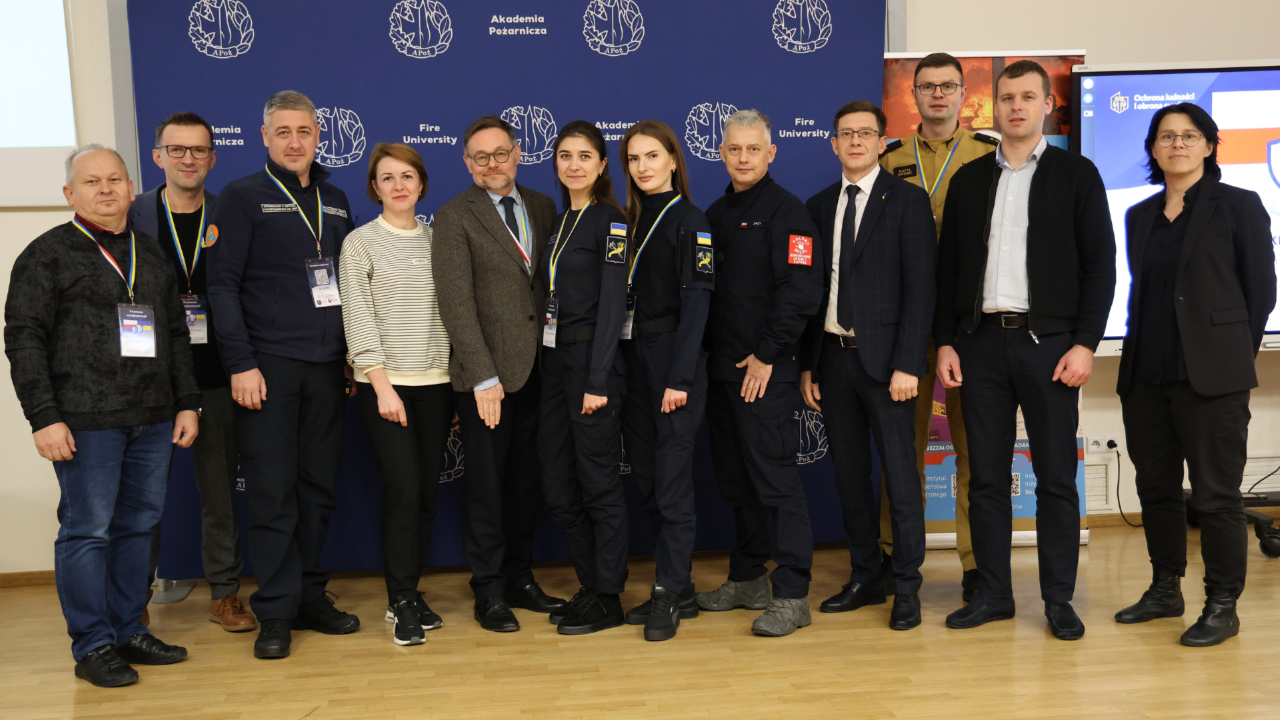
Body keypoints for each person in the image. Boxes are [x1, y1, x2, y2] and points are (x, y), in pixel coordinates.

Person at [5, 145, 200, 686]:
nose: (106, 189)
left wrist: (187, 401)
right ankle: (92, 645)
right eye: (92, 182)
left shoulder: (152, 254)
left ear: (131, 188)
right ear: (71, 194)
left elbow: (177, 335)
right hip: (84, 420)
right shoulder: (46, 255)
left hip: (155, 417)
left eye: (115, 178)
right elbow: (23, 339)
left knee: (138, 527)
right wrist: (43, 417)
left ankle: (126, 629)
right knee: (87, 531)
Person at [935, 61, 1115, 640]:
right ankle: (993, 594)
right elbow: (949, 272)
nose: (1015, 107)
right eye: (1007, 98)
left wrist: (1085, 343)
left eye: (1027, 97)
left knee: (1057, 476)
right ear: (995, 107)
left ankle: (1058, 599)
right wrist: (945, 340)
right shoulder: (968, 181)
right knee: (985, 478)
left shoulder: (1076, 174)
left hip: (1052, 346)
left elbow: (1100, 267)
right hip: (980, 345)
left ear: (1046, 106)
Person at [1113, 103, 1276, 647]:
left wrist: (1230, 356)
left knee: (1216, 497)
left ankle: (1222, 604)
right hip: (1146, 376)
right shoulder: (1140, 216)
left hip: (1213, 379)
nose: (1177, 144)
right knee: (1157, 491)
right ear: (1153, 150)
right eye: (1166, 137)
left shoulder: (1238, 206)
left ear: (1209, 144)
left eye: (1189, 136)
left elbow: (1261, 292)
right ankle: (1166, 590)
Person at [206, 90, 360, 659]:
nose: (295, 142)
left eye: (305, 131)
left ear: (318, 135)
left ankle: (309, 598)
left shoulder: (338, 199)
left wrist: (349, 355)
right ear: (264, 136)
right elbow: (220, 287)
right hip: (266, 367)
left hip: (327, 367)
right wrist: (241, 363)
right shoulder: (241, 198)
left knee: (318, 490)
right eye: (284, 132)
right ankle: (274, 610)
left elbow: (348, 283)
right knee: (272, 493)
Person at [800, 101, 936, 631]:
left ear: (883, 142)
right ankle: (865, 574)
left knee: (900, 479)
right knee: (850, 477)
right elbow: (812, 294)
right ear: (832, 144)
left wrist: (909, 364)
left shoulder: (906, 201)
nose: (855, 141)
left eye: (866, 133)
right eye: (846, 134)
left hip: (889, 369)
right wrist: (808, 367)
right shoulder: (816, 205)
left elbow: (921, 289)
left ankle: (907, 585)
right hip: (833, 363)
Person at [432, 116, 567, 633]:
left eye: (501, 153)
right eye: (480, 157)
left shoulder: (542, 205)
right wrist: (484, 376)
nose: (492, 164)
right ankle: (487, 590)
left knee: (524, 484)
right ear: (468, 164)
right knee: (487, 487)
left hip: (539, 370)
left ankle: (519, 577)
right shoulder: (453, 216)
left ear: (517, 154)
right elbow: (456, 303)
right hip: (486, 379)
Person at [129, 112, 256, 633]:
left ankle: (225, 593)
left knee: (221, 492)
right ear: (157, 156)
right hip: (148, 380)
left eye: (198, 150)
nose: (188, 159)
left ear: (213, 158)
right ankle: (132, 597)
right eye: (176, 149)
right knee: (140, 497)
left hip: (216, 374)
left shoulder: (232, 213)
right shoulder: (132, 213)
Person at [699, 110, 823, 637]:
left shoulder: (789, 213)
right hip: (722, 373)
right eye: (734, 149)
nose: (744, 157)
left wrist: (769, 355)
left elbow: (801, 295)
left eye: (754, 149)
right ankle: (748, 577)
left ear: (771, 153)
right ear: (722, 153)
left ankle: (792, 593)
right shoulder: (715, 212)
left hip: (764, 373)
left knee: (776, 483)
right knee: (737, 482)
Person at [879, 53, 998, 601]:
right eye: (927, 87)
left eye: (948, 86)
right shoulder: (890, 157)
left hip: (968, 322)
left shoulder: (990, 155)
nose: (938, 96)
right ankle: (892, 559)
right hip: (906, 325)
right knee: (900, 449)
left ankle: (976, 566)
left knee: (974, 453)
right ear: (914, 95)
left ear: (963, 92)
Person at [339, 143, 454, 646]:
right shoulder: (359, 243)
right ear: (375, 187)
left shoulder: (439, 241)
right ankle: (401, 599)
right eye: (387, 178)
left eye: (408, 176)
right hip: (385, 387)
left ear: (422, 184)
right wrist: (381, 384)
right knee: (404, 490)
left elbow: (450, 315)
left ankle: (408, 590)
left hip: (438, 384)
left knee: (426, 495)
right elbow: (357, 316)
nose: (399, 185)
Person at [616, 120, 715, 642]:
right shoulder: (629, 221)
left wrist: (679, 375)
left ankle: (666, 593)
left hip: (673, 362)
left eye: (652, 156)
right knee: (651, 482)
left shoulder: (690, 221)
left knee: (673, 484)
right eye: (633, 159)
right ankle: (681, 587)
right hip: (634, 362)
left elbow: (698, 303)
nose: (643, 167)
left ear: (674, 160)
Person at [537, 122, 631, 636]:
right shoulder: (557, 222)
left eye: (585, 156)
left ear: (601, 166)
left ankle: (609, 596)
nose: (574, 165)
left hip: (593, 366)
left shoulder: (609, 221)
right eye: (565, 155)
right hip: (554, 366)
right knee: (557, 483)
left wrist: (597, 378)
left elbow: (614, 301)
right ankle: (591, 583)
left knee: (598, 485)